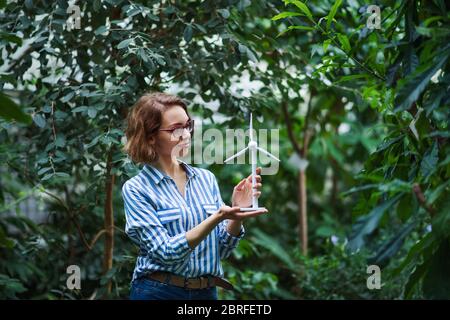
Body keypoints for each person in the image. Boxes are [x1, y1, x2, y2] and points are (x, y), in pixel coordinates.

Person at [121, 92, 268, 300]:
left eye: (187, 125)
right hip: (158, 292)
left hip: (206, 293)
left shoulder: (205, 179)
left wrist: (234, 217)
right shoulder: (137, 189)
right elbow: (165, 252)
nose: (186, 134)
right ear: (150, 137)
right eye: (176, 129)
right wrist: (217, 216)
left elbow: (221, 250)